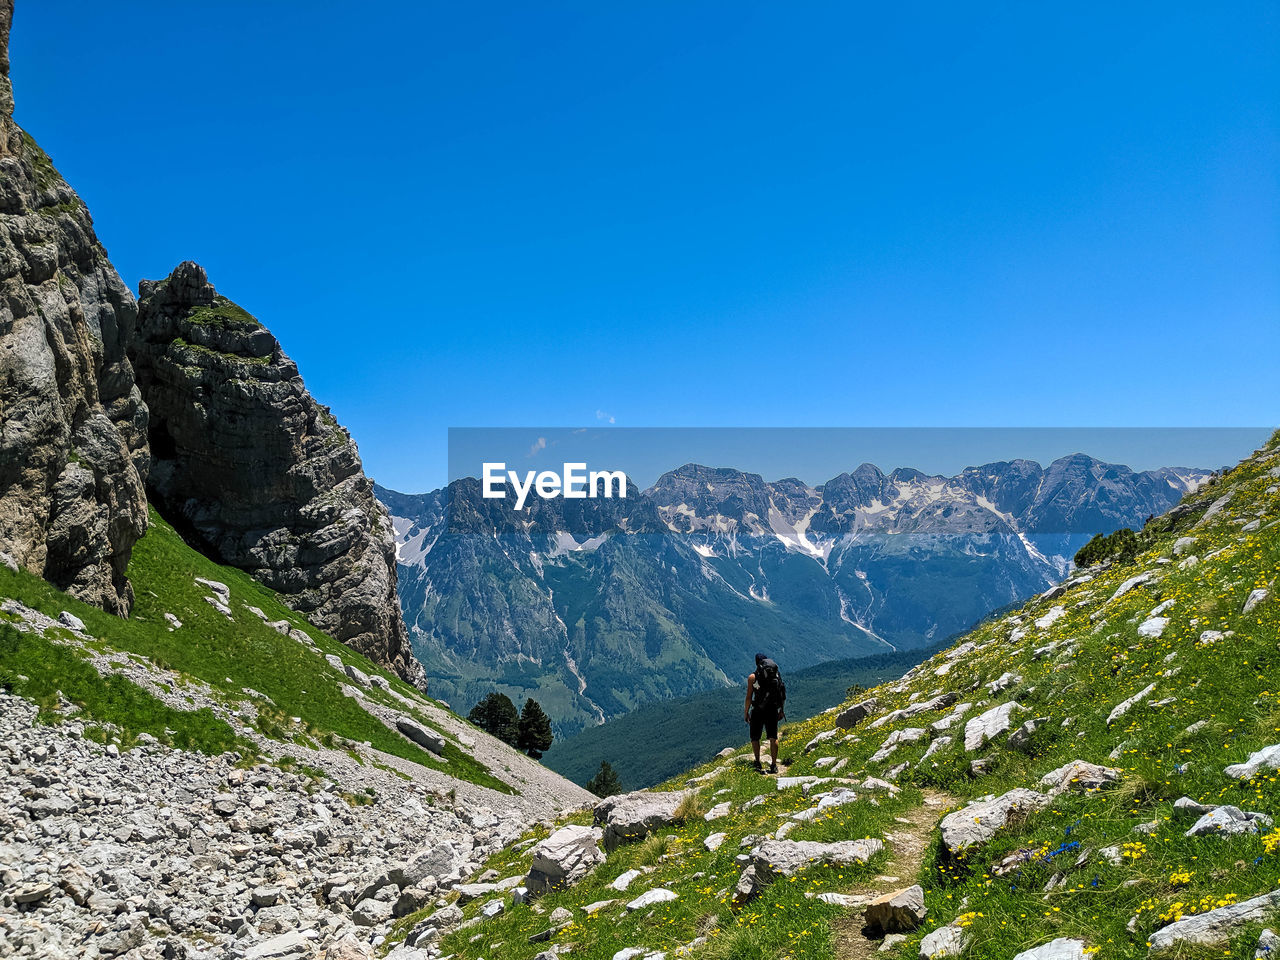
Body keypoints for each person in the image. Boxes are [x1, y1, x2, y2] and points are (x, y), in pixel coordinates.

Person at [743, 652, 785, 773]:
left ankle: (757, 762)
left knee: (755, 737)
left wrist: (746, 712)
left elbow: (748, 697)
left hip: (758, 710)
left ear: (757, 663)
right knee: (773, 736)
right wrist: (781, 710)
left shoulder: (753, 677)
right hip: (772, 709)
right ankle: (773, 764)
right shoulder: (776, 676)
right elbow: (782, 693)